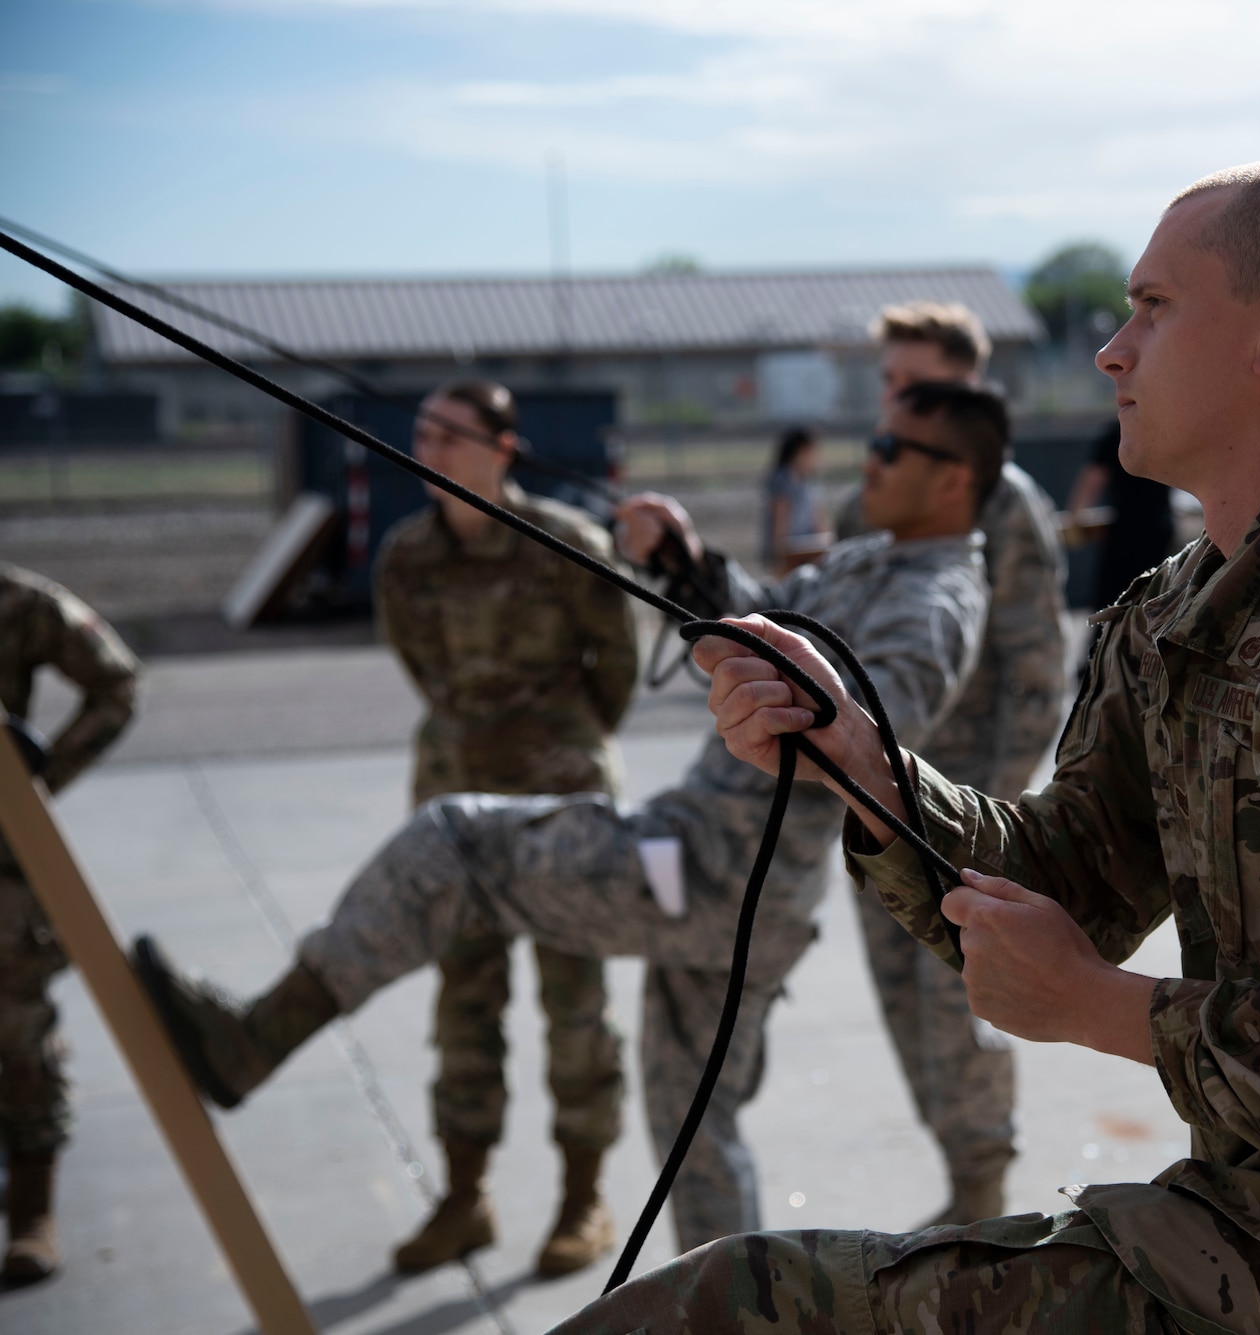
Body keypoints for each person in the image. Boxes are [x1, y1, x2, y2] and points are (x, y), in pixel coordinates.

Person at [561, 157, 1260, 1334]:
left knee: (726, 1310)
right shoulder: (1195, 603)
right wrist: (862, 766)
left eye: (1153, 306)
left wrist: (1101, 1009)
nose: (1111, 350)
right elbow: (1068, 874)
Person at [132, 381, 1001, 1259]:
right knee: (694, 1131)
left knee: (455, 842)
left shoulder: (935, 596)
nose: (870, 462)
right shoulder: (873, 561)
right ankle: (741, 1314)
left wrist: (800, 692)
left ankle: (255, 1040)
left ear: (953, 479)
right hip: (741, 886)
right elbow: (769, 614)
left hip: (715, 867)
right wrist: (691, 564)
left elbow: (893, 732)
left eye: (892, 450)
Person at [372, 379, 639, 1277]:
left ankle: (582, 1197)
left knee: (576, 1007)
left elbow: (618, 671)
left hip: (560, 805)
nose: (432, 451)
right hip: (454, 807)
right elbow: (419, 668)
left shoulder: (569, 542)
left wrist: (557, 740)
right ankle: (464, 1196)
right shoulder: (405, 558)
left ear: (504, 447)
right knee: (463, 1006)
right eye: (422, 435)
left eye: (453, 435)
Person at [838, 300, 1069, 1224]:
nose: (893, 402)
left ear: (969, 387)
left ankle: (980, 1189)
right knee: (904, 1004)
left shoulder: (1005, 502)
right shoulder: (874, 490)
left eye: (916, 384)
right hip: (881, 803)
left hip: (965, 807)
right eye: (889, 384)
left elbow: (1037, 671)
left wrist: (997, 811)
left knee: (959, 1007)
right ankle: (959, 1175)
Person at [0, 563, 139, 1284]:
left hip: (1, 859)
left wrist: (34, 783)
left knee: (17, 1026)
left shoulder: (18, 600)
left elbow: (116, 684)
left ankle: (31, 1210)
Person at [1068, 418, 1178, 609]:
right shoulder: (1163, 428)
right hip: (1161, 525)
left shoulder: (1119, 432)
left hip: (1129, 530)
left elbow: (1093, 479)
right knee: (1156, 597)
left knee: (1113, 602)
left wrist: (1076, 517)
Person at [763, 426, 826, 573]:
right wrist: (779, 556)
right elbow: (780, 518)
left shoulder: (809, 479)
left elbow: (818, 515)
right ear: (800, 451)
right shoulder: (783, 478)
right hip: (790, 550)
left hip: (808, 548)